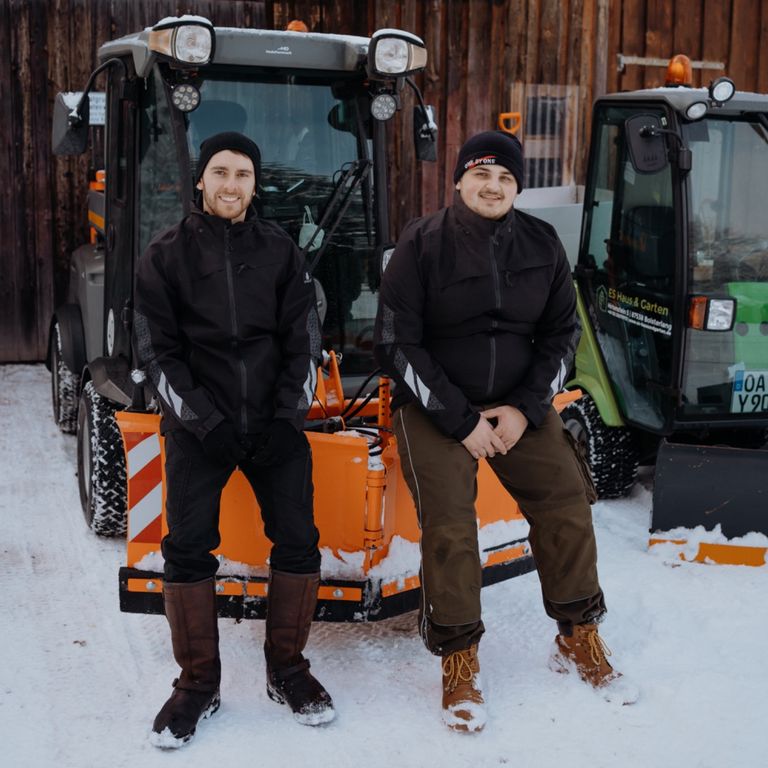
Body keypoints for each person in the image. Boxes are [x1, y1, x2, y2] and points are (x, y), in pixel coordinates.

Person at [373, 130, 638, 733]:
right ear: (460, 179)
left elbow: (562, 336)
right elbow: (396, 343)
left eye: (506, 179)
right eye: (482, 175)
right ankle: (459, 656)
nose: (493, 187)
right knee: (450, 522)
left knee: (567, 501)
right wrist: (459, 419)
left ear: (517, 187)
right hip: (437, 404)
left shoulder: (542, 243)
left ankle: (578, 635)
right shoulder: (422, 244)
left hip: (518, 406)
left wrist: (523, 408)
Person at [133, 132, 333, 748]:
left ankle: (288, 670)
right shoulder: (164, 256)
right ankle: (197, 685)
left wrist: (285, 418)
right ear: (200, 180)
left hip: (274, 424)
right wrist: (205, 424)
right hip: (201, 428)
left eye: (242, 174)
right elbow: (155, 352)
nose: (230, 184)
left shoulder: (280, 252)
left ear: (254, 183)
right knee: (188, 548)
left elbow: (303, 340)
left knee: (298, 541)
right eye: (220, 172)